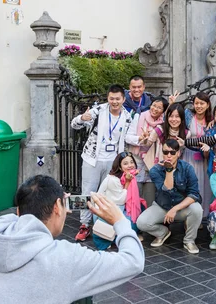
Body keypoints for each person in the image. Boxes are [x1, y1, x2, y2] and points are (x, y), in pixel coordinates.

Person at [0, 175, 144, 304]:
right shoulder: (65, 258)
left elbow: (13, 219)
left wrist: (53, 207)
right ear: (58, 208)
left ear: (19, 211)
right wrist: (119, 220)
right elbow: (133, 261)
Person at [71, 84, 134, 242]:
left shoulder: (127, 116)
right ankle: (84, 225)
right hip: (93, 158)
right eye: (111, 98)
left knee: (109, 194)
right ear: (108, 98)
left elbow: (128, 138)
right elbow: (74, 124)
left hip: (113, 161)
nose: (114, 102)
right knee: (88, 192)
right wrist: (81, 118)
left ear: (123, 99)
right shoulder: (98, 110)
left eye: (117, 99)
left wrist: (143, 139)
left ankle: (106, 225)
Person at [136, 139, 203, 254]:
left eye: (172, 152)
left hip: (181, 207)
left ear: (178, 153)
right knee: (141, 223)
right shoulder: (155, 170)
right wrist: (169, 170)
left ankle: (189, 240)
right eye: (165, 152)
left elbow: (194, 194)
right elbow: (167, 189)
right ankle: (163, 233)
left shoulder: (187, 168)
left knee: (197, 209)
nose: (169, 155)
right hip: (162, 206)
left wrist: (175, 209)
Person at [93, 152, 146, 249]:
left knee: (140, 207)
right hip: (106, 211)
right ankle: (110, 238)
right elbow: (121, 200)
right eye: (125, 163)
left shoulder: (125, 175)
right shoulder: (113, 180)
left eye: (131, 162)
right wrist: (128, 182)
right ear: (120, 167)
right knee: (131, 223)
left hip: (117, 207)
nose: (130, 165)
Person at [127, 97, 169, 207]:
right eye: (154, 105)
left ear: (163, 111)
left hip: (153, 161)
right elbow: (127, 137)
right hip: (137, 160)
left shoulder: (164, 123)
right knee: (136, 192)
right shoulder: (139, 116)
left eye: (159, 107)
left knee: (150, 194)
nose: (155, 109)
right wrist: (140, 139)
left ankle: (146, 219)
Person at [183, 92, 212, 218]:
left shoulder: (211, 120)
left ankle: (201, 216)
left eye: (202, 103)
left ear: (207, 105)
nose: (199, 106)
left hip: (204, 157)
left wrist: (214, 120)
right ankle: (188, 216)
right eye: (196, 103)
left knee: (203, 186)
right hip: (189, 155)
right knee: (188, 184)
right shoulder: (188, 116)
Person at [141, 103, 188, 169]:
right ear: (167, 117)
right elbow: (148, 143)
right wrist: (145, 139)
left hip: (177, 169)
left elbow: (185, 152)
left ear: (182, 118)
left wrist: (182, 145)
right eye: (171, 116)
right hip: (159, 166)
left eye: (177, 116)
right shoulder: (160, 129)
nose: (174, 119)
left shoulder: (186, 133)